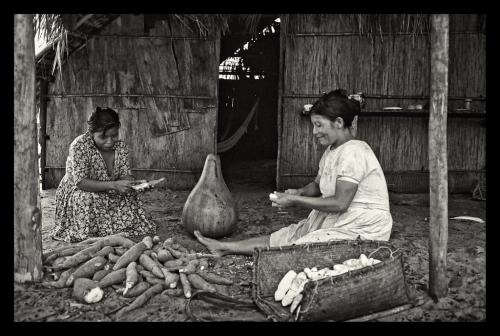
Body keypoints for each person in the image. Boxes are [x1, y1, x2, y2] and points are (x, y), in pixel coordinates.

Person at [194, 89, 393, 256]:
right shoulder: (332, 151)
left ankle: (225, 248)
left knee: (299, 249)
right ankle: (223, 247)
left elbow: (340, 203)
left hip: (362, 226)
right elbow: (316, 186)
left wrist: (295, 202)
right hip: (340, 219)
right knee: (289, 236)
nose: (314, 132)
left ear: (339, 123)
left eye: (318, 125)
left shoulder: (355, 151)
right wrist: (298, 192)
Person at [49, 107, 156, 243]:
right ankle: (93, 231)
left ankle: (116, 229)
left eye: (114, 135)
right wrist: (113, 185)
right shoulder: (79, 146)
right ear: (91, 133)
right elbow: (81, 182)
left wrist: (131, 184)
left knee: (129, 194)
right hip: (83, 188)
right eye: (103, 137)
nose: (110, 141)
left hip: (111, 188)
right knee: (85, 199)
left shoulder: (121, 147)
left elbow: (125, 174)